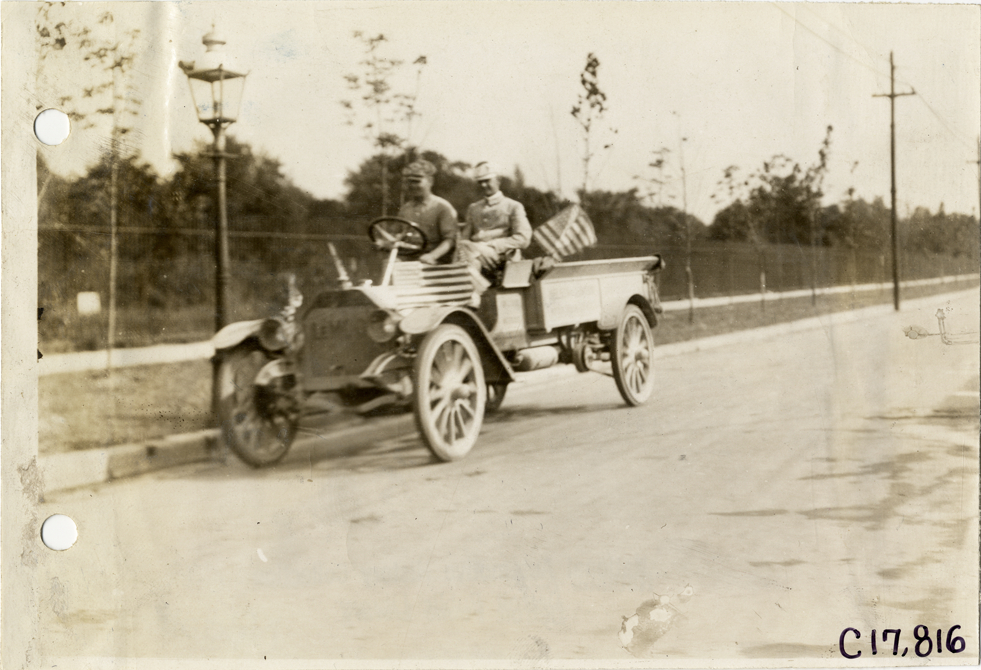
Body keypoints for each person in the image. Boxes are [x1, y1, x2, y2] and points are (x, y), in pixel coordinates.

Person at [456, 162, 532, 281]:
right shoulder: (473, 208)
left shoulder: (513, 206)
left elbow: (523, 239)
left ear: (498, 180)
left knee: (467, 253)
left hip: (502, 257)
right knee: (464, 251)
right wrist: (479, 251)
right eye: (480, 182)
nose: (483, 185)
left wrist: (490, 246)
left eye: (487, 180)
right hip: (474, 254)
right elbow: (464, 239)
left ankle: (472, 294)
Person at [397, 160, 458, 265]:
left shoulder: (442, 207)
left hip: (437, 262)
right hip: (410, 258)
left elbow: (450, 240)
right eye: (409, 182)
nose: (412, 186)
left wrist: (432, 256)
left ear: (430, 181)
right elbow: (399, 235)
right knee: (390, 264)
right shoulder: (405, 209)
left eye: (417, 181)